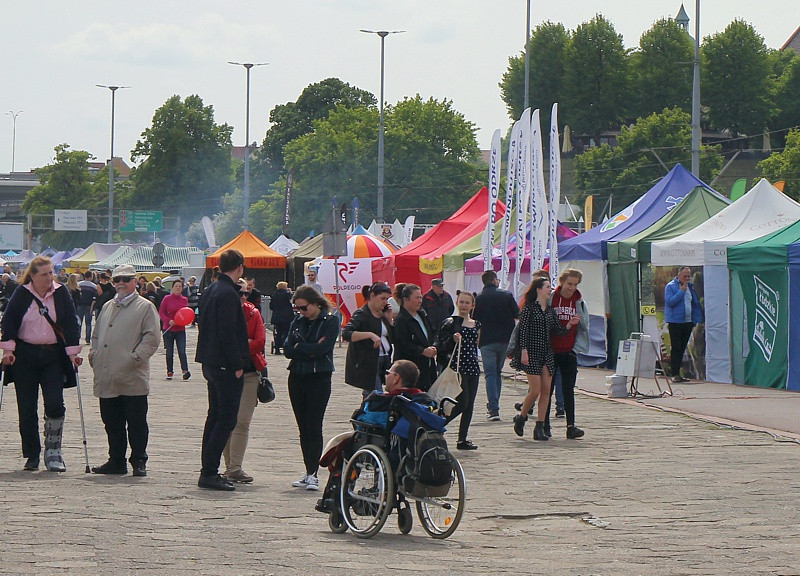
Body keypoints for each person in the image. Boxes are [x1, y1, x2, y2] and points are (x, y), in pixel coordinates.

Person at [0, 256, 82, 472]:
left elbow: (71, 322)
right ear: (33, 276)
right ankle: (32, 454)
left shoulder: (61, 292)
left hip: (52, 355)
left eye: (51, 273)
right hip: (25, 356)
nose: (49, 277)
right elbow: (8, 321)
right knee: (26, 407)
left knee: (55, 402)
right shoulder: (22, 293)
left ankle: (53, 450)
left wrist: (73, 352)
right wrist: (8, 350)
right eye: (44, 274)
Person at [88, 265, 161, 477]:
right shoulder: (108, 306)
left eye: (126, 279)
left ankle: (139, 459)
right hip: (107, 373)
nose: (121, 283)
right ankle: (116, 460)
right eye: (117, 279)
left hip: (132, 374)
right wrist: (94, 355)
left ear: (135, 281)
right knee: (111, 421)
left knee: (136, 422)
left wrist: (135, 358)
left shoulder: (145, 307)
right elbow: (95, 335)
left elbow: (152, 337)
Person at [195, 249, 249, 491]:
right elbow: (228, 332)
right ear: (239, 268)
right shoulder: (228, 293)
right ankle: (209, 471)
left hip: (210, 361)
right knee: (226, 419)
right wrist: (237, 364)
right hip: (225, 364)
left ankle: (208, 467)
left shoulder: (210, 290)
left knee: (214, 417)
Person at [284, 285, 340, 492]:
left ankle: (314, 473)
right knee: (302, 427)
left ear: (316, 304)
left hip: (319, 377)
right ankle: (308, 470)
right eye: (297, 309)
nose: (301, 312)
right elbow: (287, 349)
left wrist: (302, 348)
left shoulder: (330, 321)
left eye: (304, 308)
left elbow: (323, 349)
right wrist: (305, 349)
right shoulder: (297, 322)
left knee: (314, 425)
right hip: (297, 377)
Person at [511, 277, 579, 441]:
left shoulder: (550, 311)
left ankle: (540, 426)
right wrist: (524, 351)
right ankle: (522, 417)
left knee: (546, 391)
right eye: (547, 287)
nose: (550, 289)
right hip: (532, 353)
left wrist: (569, 325)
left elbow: (559, 331)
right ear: (538, 290)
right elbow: (523, 332)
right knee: (535, 390)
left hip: (547, 353)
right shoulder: (528, 309)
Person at [222, 279, 268, 484]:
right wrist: (243, 344)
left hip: (250, 373)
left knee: (242, 421)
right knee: (225, 420)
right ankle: (228, 466)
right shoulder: (223, 312)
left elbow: (259, 342)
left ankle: (235, 467)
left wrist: (239, 347)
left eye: (246, 294)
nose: (243, 297)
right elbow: (221, 342)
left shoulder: (253, 313)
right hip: (226, 373)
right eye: (239, 293)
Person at [545, 269, 590, 440]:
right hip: (550, 350)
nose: (572, 288)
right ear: (562, 282)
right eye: (569, 284)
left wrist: (576, 348)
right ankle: (545, 424)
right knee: (547, 390)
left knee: (568, 389)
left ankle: (571, 426)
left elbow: (585, 326)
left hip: (569, 350)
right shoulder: (552, 299)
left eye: (575, 284)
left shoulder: (579, 302)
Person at [435, 290, 481, 450]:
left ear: (472, 305)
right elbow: (441, 344)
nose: (464, 305)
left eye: (467, 303)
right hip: (457, 367)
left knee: (470, 405)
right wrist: (452, 339)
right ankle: (437, 425)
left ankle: (462, 439)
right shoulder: (451, 322)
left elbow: (476, 345)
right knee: (462, 402)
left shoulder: (476, 324)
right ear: (457, 303)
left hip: (473, 367)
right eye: (461, 302)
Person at [473, 269, 519, 421]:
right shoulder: (506, 295)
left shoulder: (479, 298)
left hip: (487, 340)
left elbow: (475, 320)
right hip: (505, 339)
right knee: (497, 372)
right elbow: (517, 314)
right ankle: (494, 405)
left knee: (490, 374)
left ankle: (494, 408)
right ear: (494, 280)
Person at [342, 282, 394, 398]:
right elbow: (346, 334)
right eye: (382, 298)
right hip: (368, 361)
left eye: (387, 299)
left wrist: (389, 320)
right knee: (376, 394)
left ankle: (363, 415)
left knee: (371, 395)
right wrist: (370, 335)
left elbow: (392, 336)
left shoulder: (382, 314)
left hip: (383, 358)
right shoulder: (362, 314)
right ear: (372, 296)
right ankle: (366, 415)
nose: (385, 302)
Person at [393, 283, 438, 391]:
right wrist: (422, 351)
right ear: (406, 299)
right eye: (417, 298)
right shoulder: (401, 320)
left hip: (428, 367)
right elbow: (402, 343)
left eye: (421, 297)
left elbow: (433, 332)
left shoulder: (422, 314)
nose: (420, 301)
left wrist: (434, 346)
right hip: (410, 370)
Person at [664, 266, 702, 383]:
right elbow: (670, 302)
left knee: (682, 348)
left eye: (688, 276)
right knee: (676, 347)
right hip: (675, 322)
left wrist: (696, 319)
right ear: (679, 275)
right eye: (685, 276)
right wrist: (681, 292)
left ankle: (679, 374)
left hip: (687, 321)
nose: (687, 278)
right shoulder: (670, 286)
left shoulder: (690, 287)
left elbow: (694, 303)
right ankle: (674, 373)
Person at [159, 278, 190, 381]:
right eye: (176, 286)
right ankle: (170, 371)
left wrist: (182, 321)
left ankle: (185, 371)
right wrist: (168, 320)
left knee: (182, 351)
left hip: (180, 329)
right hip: (169, 328)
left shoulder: (184, 300)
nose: (178, 288)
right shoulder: (167, 298)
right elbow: (161, 312)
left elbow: (186, 313)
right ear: (172, 288)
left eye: (180, 286)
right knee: (169, 352)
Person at [269, 281, 294, 355]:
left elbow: (271, 306)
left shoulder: (274, 295)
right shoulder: (287, 294)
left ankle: (277, 349)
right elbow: (292, 300)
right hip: (287, 317)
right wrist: (290, 293)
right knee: (286, 332)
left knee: (278, 333)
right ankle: (285, 347)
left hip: (277, 317)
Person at [77, 270, 98, 344]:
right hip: (89, 306)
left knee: (79, 322)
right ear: (91, 277)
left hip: (80, 305)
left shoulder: (79, 284)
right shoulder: (94, 286)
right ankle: (88, 339)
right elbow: (95, 298)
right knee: (88, 323)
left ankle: (77, 337)